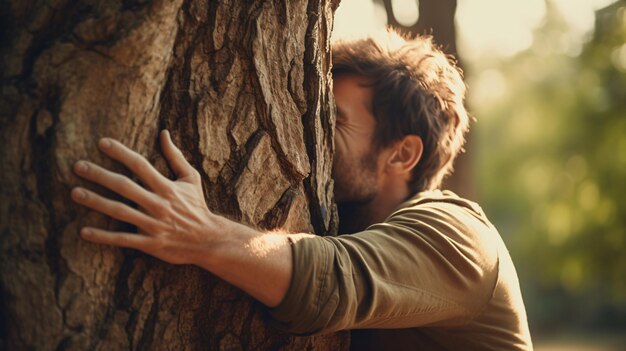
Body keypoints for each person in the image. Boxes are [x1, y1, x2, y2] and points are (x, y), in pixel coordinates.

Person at [70, 31, 532, 350]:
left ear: (402, 154)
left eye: (336, 120)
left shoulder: (458, 236)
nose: (311, 133)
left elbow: (334, 280)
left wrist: (202, 233)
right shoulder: (343, 221)